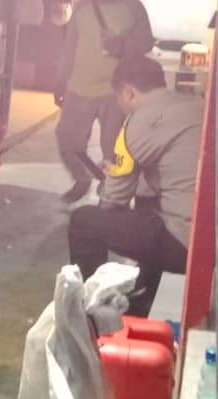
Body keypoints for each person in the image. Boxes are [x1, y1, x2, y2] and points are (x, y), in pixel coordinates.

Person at [67, 56, 203, 316]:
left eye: (117, 97)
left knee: (84, 222)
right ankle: (147, 291)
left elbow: (113, 200)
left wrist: (110, 181)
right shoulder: (196, 105)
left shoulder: (139, 120)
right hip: (215, 239)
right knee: (147, 206)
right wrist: (123, 169)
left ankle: (91, 308)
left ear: (128, 91)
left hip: (185, 243)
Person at [54, 0, 154, 203]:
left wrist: (122, 44)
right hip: (79, 87)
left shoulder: (134, 8)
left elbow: (146, 42)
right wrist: (60, 79)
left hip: (115, 91)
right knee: (67, 139)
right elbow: (69, 46)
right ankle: (82, 178)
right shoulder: (82, 7)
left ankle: (109, 190)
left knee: (113, 148)